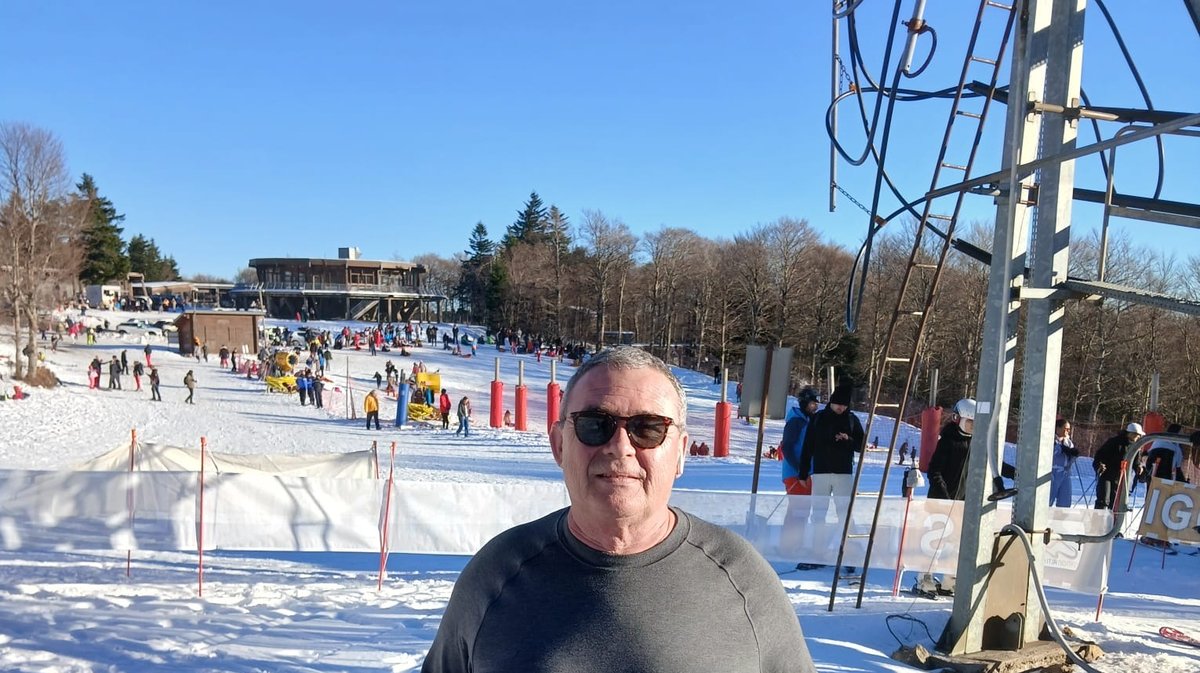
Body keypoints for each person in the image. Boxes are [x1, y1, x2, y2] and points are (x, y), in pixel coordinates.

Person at [422, 347, 816, 673]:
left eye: (648, 428)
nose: (620, 447)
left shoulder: (742, 578)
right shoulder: (496, 574)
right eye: (596, 424)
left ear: (680, 452)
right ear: (559, 444)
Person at [915, 398, 976, 598]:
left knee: (956, 544)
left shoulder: (975, 444)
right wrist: (944, 495)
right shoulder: (948, 441)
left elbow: (994, 463)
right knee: (934, 542)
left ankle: (951, 580)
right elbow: (934, 470)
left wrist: (1015, 472)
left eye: (975, 424)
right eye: (969, 423)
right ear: (958, 419)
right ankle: (924, 578)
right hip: (941, 502)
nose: (971, 428)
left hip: (961, 503)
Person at [797, 384, 864, 526]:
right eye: (838, 404)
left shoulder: (852, 420)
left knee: (845, 513)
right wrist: (803, 473)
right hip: (821, 473)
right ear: (831, 402)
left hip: (844, 473)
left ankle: (847, 545)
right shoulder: (818, 419)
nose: (841, 407)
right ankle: (818, 546)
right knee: (818, 514)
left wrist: (848, 440)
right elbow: (808, 447)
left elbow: (861, 446)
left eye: (844, 405)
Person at [779, 386, 821, 560]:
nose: (815, 407)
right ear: (804, 403)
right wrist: (799, 471)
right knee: (799, 510)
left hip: (805, 472)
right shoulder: (796, 421)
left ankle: (793, 544)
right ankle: (790, 546)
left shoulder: (807, 420)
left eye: (816, 403)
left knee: (801, 510)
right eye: (812, 403)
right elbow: (787, 447)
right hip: (796, 473)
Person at [1092, 422, 1142, 510]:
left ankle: (1112, 523)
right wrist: (1100, 465)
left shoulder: (1136, 447)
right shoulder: (1114, 442)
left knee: (1115, 503)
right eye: (1137, 435)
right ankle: (1098, 521)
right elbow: (1100, 455)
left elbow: (1136, 462)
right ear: (1130, 433)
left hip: (1121, 479)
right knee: (1103, 500)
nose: (1138, 437)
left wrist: (1139, 467)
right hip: (1107, 475)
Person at [1049, 418, 1079, 507]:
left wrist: (1073, 455)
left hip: (1065, 473)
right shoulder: (1052, 441)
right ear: (1058, 428)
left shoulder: (1068, 442)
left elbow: (1073, 454)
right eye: (1065, 429)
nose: (1067, 431)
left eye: (1068, 429)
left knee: (1065, 500)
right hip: (1054, 473)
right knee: (1049, 498)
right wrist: (1061, 449)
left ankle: (1061, 518)